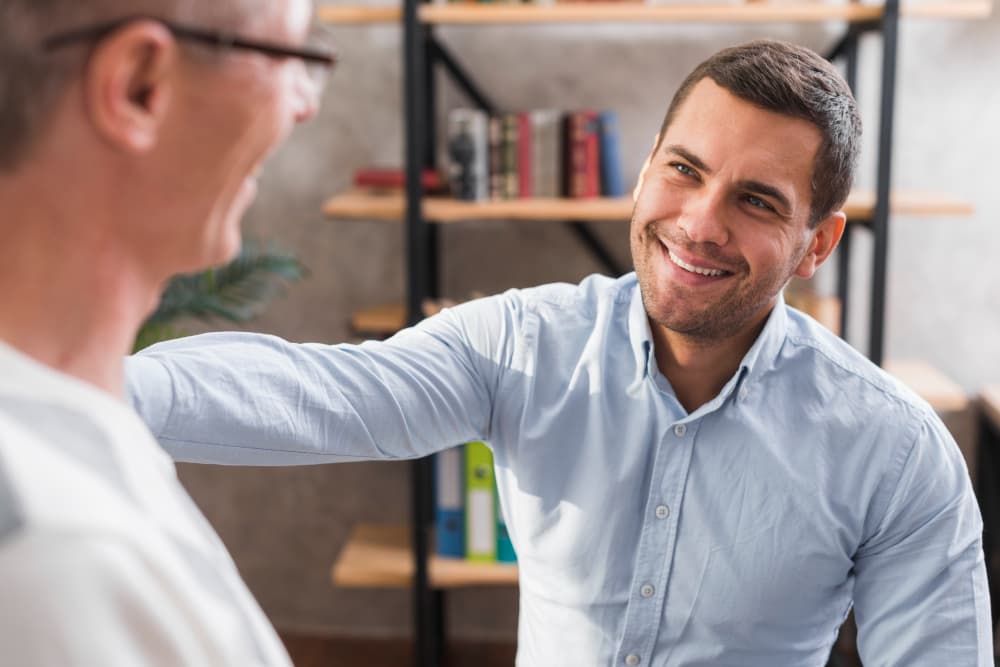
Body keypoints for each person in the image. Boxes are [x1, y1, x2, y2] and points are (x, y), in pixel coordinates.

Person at [126, 40, 992, 665]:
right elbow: (319, 393)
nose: (698, 221)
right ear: (648, 164)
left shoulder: (897, 454)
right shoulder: (523, 343)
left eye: (757, 201)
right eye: (684, 169)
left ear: (818, 243)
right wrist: (71, 393)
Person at [0, 0, 332, 663]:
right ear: (138, 87)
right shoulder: (57, 557)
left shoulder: (73, 437)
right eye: (294, 59)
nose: (304, 105)